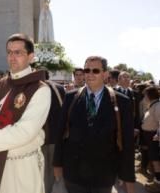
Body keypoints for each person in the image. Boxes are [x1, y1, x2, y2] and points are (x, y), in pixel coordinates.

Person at [0, 33, 51, 193]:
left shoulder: (40, 89)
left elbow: (25, 131)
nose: (12, 57)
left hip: (19, 166)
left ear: (31, 57)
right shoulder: (2, 83)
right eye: (9, 52)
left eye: (18, 52)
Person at [53, 56, 135, 193]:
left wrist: (128, 177)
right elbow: (61, 132)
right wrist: (57, 163)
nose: (90, 74)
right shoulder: (70, 97)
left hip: (103, 175)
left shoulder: (122, 102)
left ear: (105, 74)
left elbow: (127, 143)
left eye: (95, 70)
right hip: (73, 174)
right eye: (87, 70)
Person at [141, 86, 160, 193]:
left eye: (145, 95)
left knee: (156, 160)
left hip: (155, 137)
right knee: (154, 159)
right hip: (150, 136)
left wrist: (158, 134)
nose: (144, 97)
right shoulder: (153, 105)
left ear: (149, 95)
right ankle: (156, 180)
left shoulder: (157, 106)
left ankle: (157, 183)